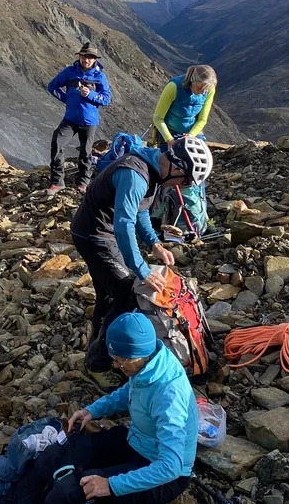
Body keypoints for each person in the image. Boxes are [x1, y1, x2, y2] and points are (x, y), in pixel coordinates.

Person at [70, 136, 213, 389]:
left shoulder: (153, 171)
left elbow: (141, 210)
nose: (183, 185)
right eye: (185, 180)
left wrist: (154, 244)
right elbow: (124, 224)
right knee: (126, 293)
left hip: (99, 233)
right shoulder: (135, 175)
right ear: (177, 167)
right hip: (95, 237)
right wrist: (142, 269)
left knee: (109, 295)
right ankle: (98, 364)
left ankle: (99, 350)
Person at [14, 312, 197, 504]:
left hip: (162, 475)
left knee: (67, 493)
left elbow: (171, 467)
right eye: (114, 359)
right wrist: (92, 411)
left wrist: (110, 485)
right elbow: (131, 391)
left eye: (121, 361)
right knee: (52, 457)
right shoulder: (150, 362)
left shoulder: (170, 396)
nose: (117, 366)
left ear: (140, 355)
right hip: (136, 442)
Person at [46, 42, 112, 194]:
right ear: (79, 56)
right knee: (57, 143)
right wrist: (66, 98)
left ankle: (83, 182)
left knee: (86, 152)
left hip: (89, 121)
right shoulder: (70, 72)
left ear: (95, 59)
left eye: (90, 57)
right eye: (84, 56)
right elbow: (52, 86)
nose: (86, 60)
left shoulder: (99, 76)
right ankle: (57, 182)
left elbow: (107, 99)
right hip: (70, 119)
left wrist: (90, 94)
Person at [150, 65, 217, 145]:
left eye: (206, 90)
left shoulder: (209, 89)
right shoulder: (173, 87)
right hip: (169, 133)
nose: (203, 92)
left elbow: (202, 119)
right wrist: (170, 140)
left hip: (192, 133)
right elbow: (158, 118)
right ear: (194, 81)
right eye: (201, 88)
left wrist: (191, 135)